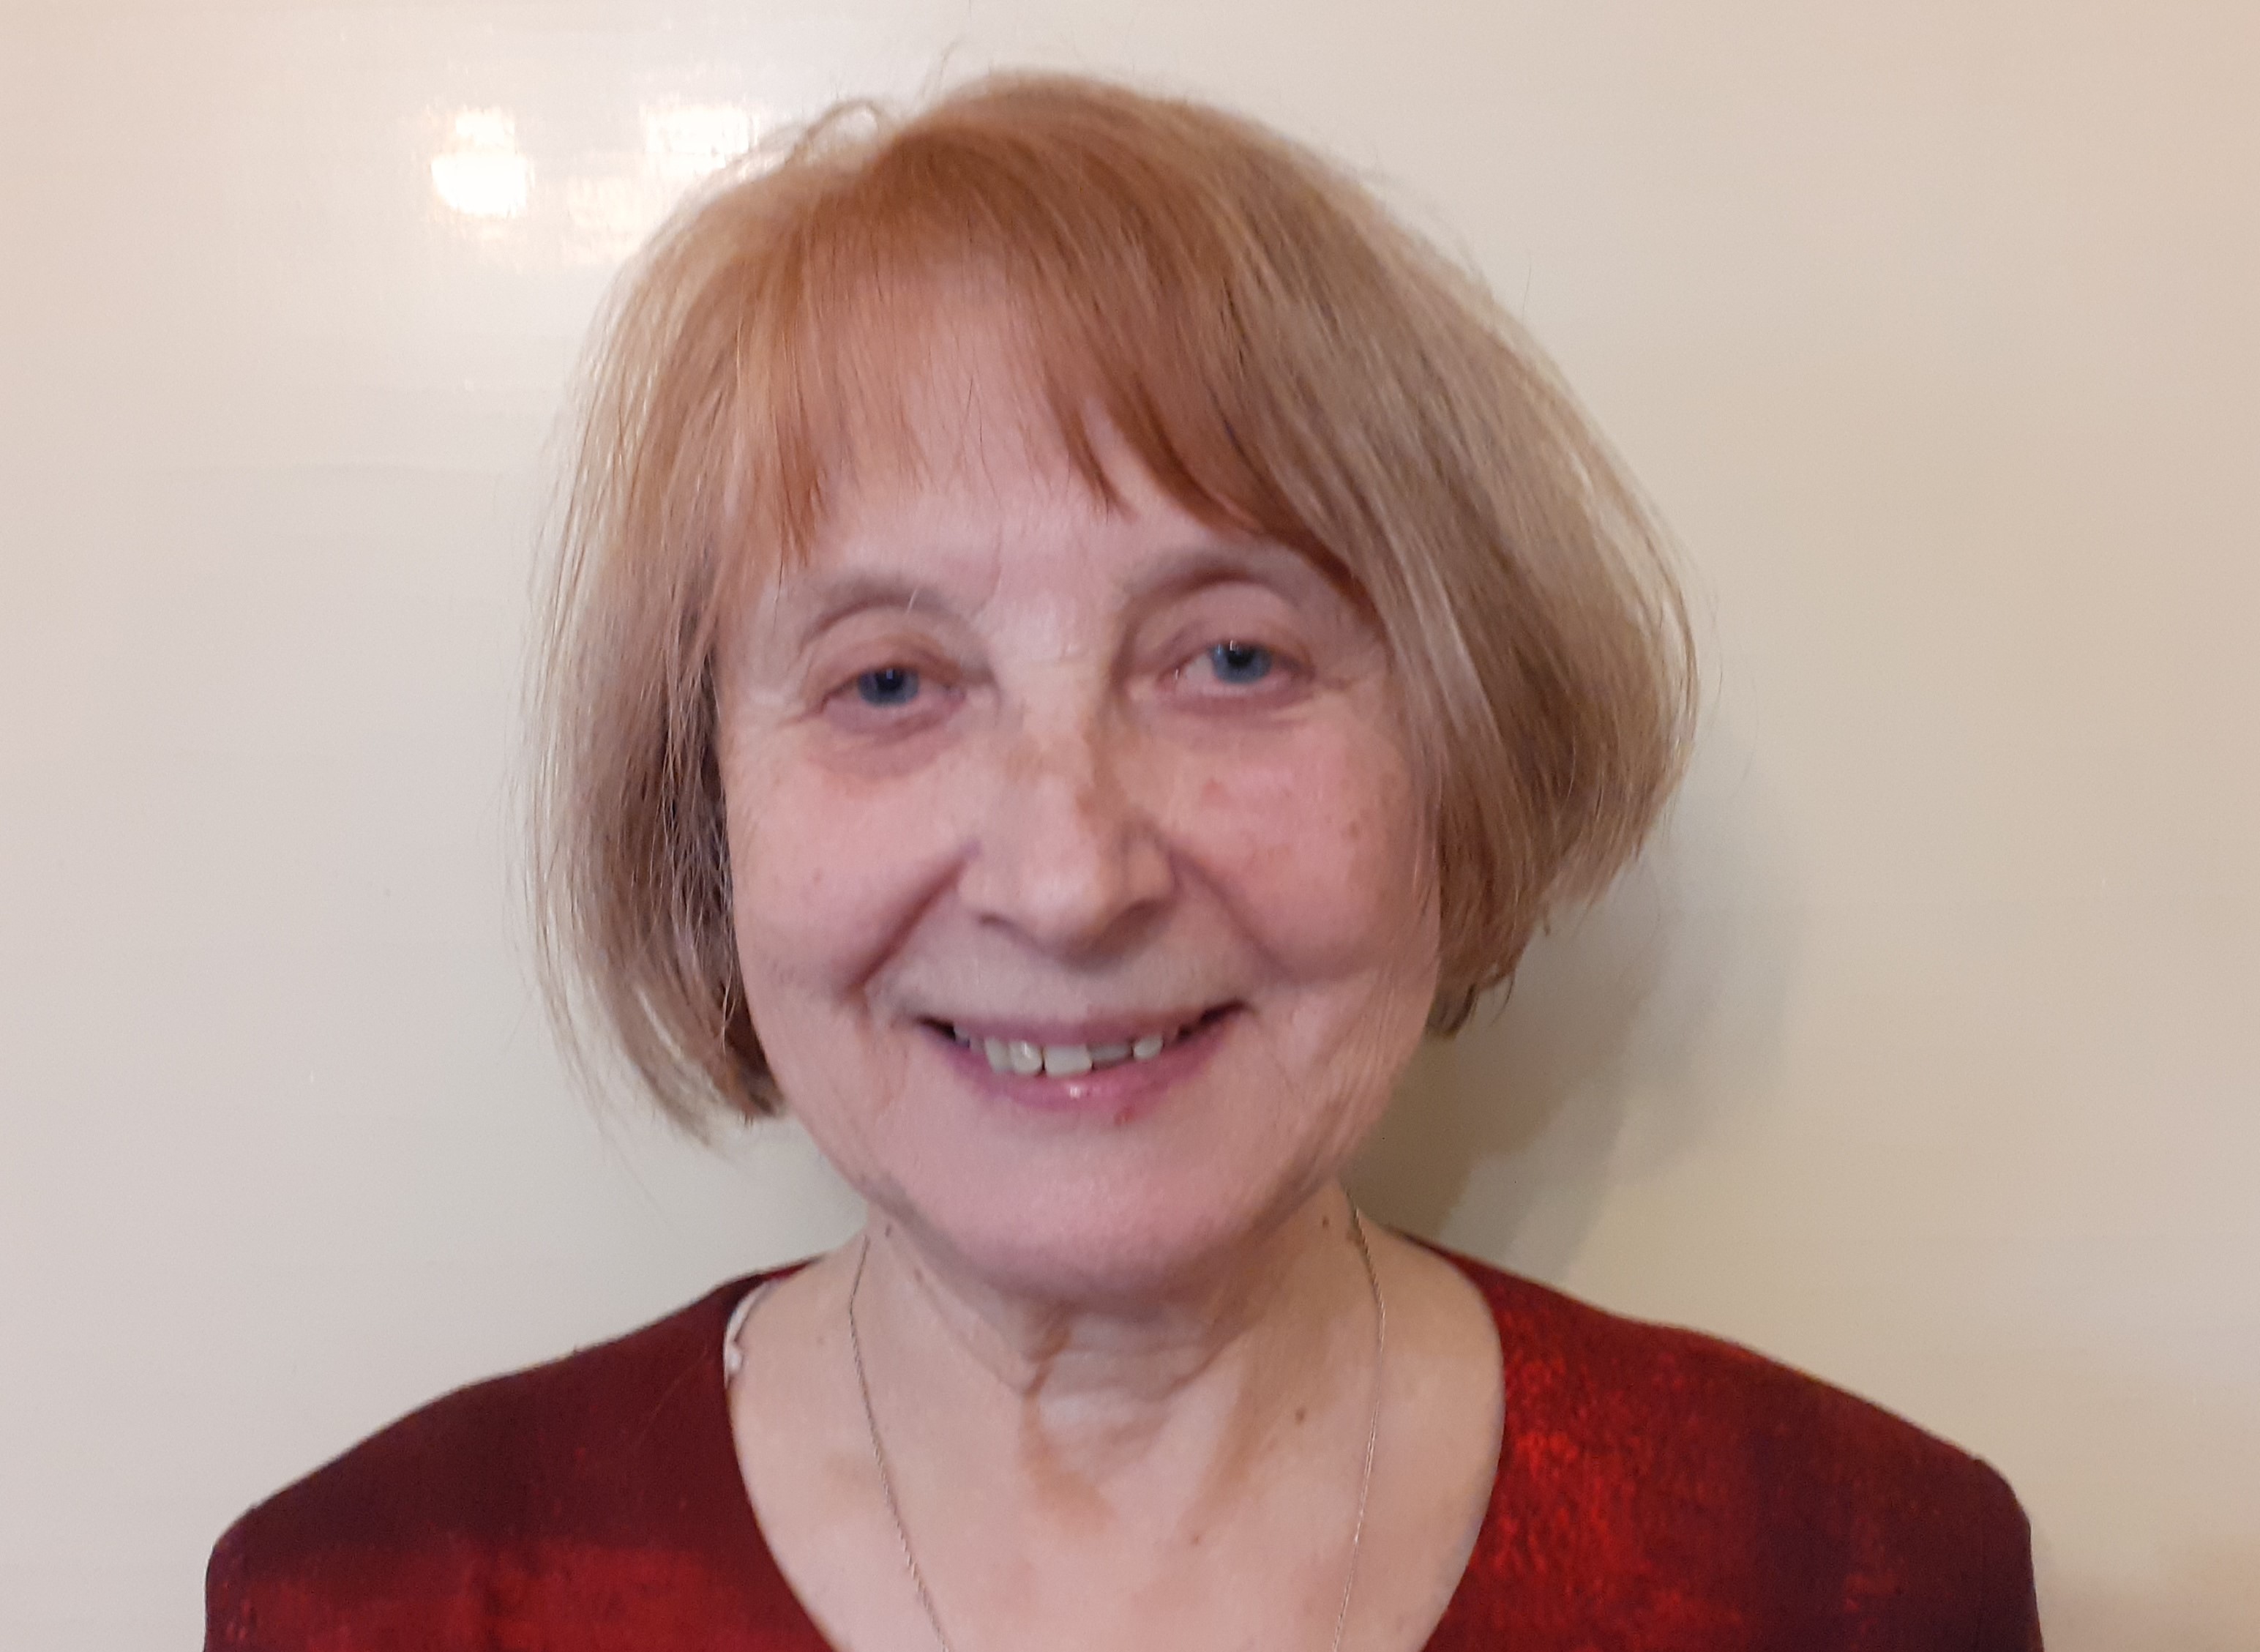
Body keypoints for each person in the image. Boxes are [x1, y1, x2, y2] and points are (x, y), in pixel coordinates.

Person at [206, 72, 2043, 1651]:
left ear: (1461, 746)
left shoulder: (1849, 1576)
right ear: (702, 817)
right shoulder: (379, 1598)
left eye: (1230, 657)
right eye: (890, 681)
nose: (1069, 879)